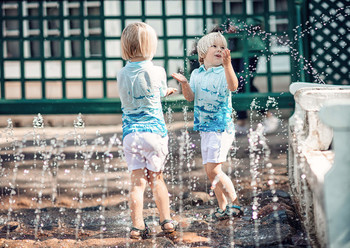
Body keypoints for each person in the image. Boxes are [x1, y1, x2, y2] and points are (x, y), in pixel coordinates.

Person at [172, 32, 243, 220]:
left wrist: (228, 66)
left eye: (222, 47)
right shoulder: (196, 74)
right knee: (210, 172)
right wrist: (185, 84)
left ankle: (234, 202)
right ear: (202, 53)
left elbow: (233, 86)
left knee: (214, 170)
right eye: (215, 46)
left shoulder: (224, 71)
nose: (219, 49)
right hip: (205, 128)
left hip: (220, 127)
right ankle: (222, 207)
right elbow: (190, 97)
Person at [117, 22, 178, 240]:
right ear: (151, 46)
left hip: (131, 135)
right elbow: (160, 92)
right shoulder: (157, 70)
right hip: (154, 133)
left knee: (137, 182)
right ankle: (167, 221)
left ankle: (136, 226)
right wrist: (168, 90)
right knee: (157, 179)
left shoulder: (121, 74)